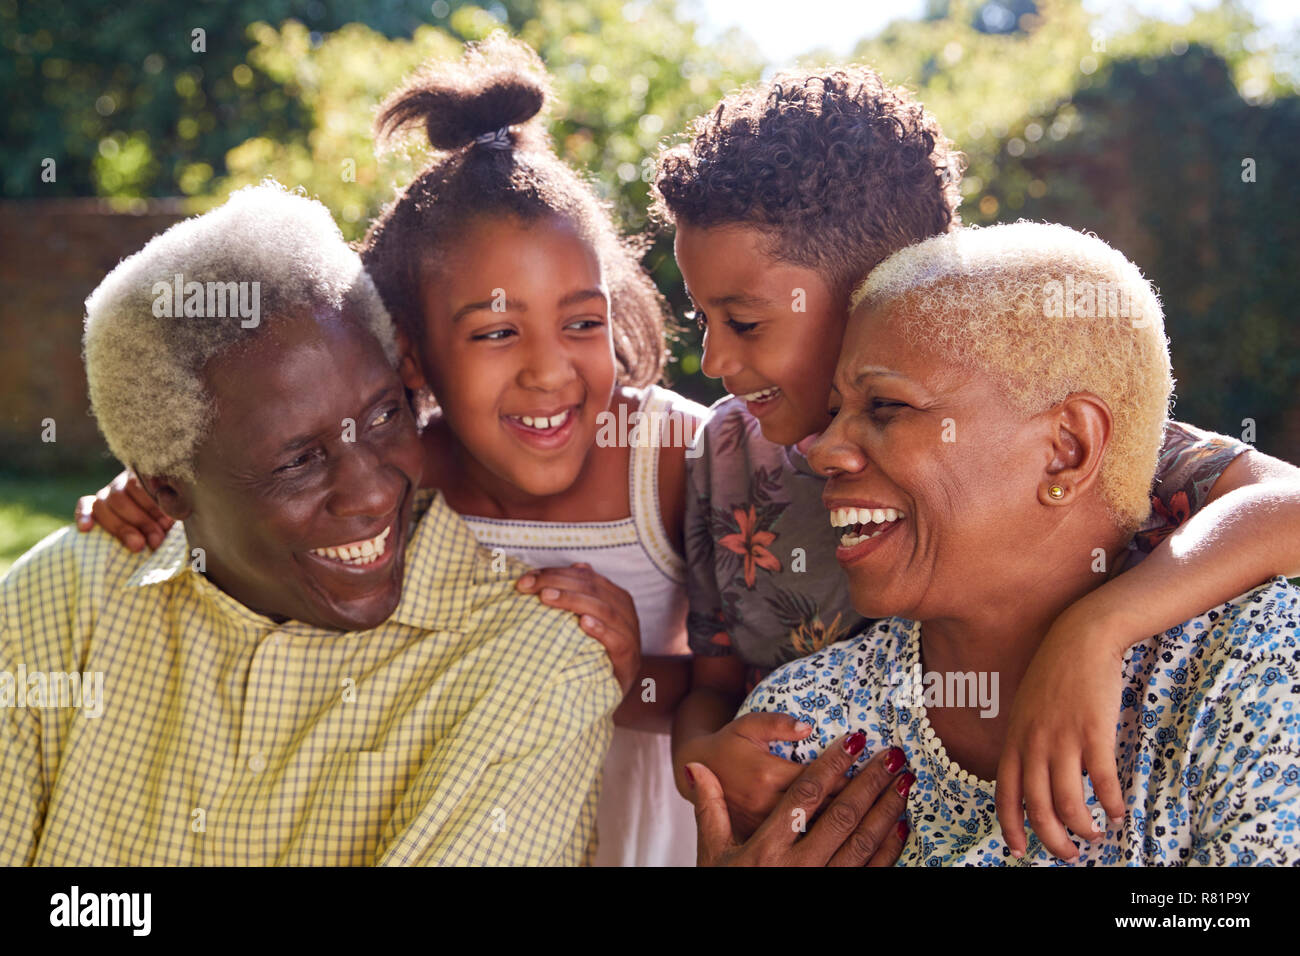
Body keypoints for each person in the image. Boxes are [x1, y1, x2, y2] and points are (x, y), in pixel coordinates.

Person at [75, 36, 702, 867]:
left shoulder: (672, 460)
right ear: (410, 354)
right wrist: (154, 487)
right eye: (497, 331)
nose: (551, 370)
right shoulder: (400, 476)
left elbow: (757, 678)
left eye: (582, 322)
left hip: (655, 829)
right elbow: (256, 493)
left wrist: (640, 674)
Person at [652, 64, 1300, 855]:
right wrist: (707, 771)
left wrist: (1095, 631)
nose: (712, 358)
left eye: (746, 323)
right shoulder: (726, 456)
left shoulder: (1064, 435)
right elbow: (708, 682)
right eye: (701, 317)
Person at [4, 182, 620, 866]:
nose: (369, 493)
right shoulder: (53, 606)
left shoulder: (535, 667)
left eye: (385, 415)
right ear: (168, 488)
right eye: (298, 461)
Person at [732, 222, 1300, 864]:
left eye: (887, 406)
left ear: (1067, 451)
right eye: (837, 412)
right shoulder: (802, 725)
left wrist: (1096, 628)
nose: (824, 451)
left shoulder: (1253, 672)